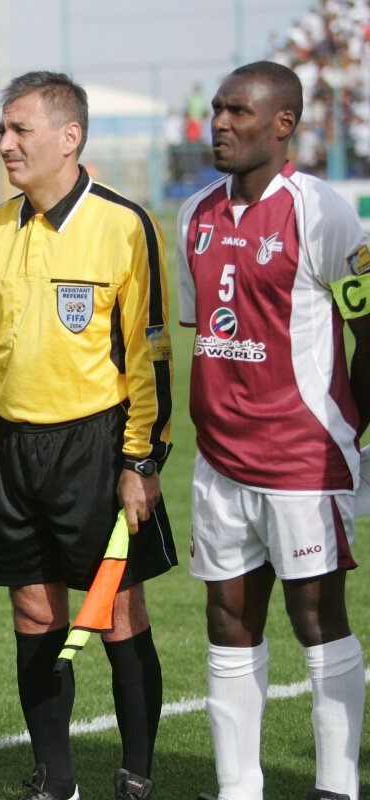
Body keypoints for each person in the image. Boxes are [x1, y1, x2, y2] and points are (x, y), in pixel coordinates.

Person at [0, 71, 176, 800]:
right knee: (33, 610)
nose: (4, 143)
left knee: (115, 613)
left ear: (69, 137)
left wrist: (142, 460)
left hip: (97, 447)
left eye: (20, 129)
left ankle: (136, 775)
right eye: (1, 129)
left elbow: (150, 356)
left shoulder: (125, 224)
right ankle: (55, 779)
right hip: (14, 450)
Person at [182, 62, 367, 800]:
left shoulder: (322, 212)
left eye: (238, 112)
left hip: (301, 459)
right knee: (227, 616)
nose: (220, 124)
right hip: (218, 462)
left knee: (316, 615)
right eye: (217, 109)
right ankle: (239, 789)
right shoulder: (194, 214)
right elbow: (204, 333)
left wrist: (351, 431)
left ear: (283, 124)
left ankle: (336, 786)